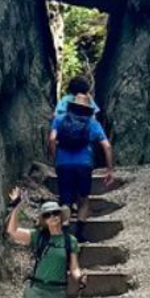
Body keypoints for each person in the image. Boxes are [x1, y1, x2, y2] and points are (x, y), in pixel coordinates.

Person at [47, 92, 114, 221]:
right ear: (89, 109)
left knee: (65, 200)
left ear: (71, 106)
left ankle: (65, 227)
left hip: (63, 164)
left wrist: (57, 156)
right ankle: (79, 233)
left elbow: (52, 139)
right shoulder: (93, 124)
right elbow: (107, 146)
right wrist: (109, 169)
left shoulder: (60, 120)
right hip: (84, 164)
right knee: (83, 199)